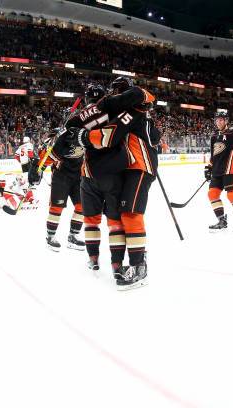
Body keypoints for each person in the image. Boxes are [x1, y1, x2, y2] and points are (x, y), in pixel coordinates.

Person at [72, 76, 159, 290]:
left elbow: (109, 137)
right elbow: (155, 136)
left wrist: (83, 135)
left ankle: (139, 267)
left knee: (131, 214)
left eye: (120, 92)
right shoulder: (135, 112)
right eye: (115, 91)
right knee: (124, 215)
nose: (116, 95)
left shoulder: (132, 111)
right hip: (130, 168)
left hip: (140, 166)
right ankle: (137, 259)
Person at [32, 127, 85, 252]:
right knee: (57, 207)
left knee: (82, 206)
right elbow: (44, 153)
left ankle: (73, 236)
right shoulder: (58, 134)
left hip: (78, 175)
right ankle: (50, 236)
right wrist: (38, 168)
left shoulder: (84, 132)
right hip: (61, 176)